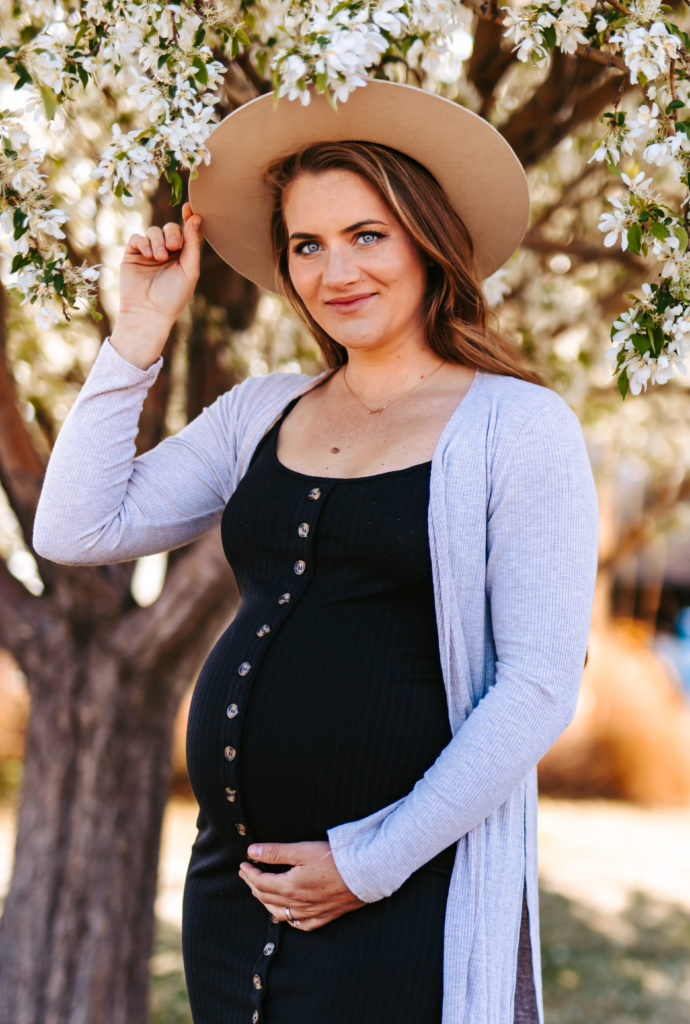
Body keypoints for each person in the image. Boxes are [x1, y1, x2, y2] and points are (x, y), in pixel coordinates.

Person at [33, 80, 599, 1024]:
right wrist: (138, 332)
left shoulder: (518, 428)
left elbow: (538, 685)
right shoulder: (263, 409)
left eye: (366, 235)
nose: (336, 271)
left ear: (428, 240)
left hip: (404, 890)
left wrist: (365, 866)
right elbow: (75, 529)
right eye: (307, 244)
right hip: (235, 889)